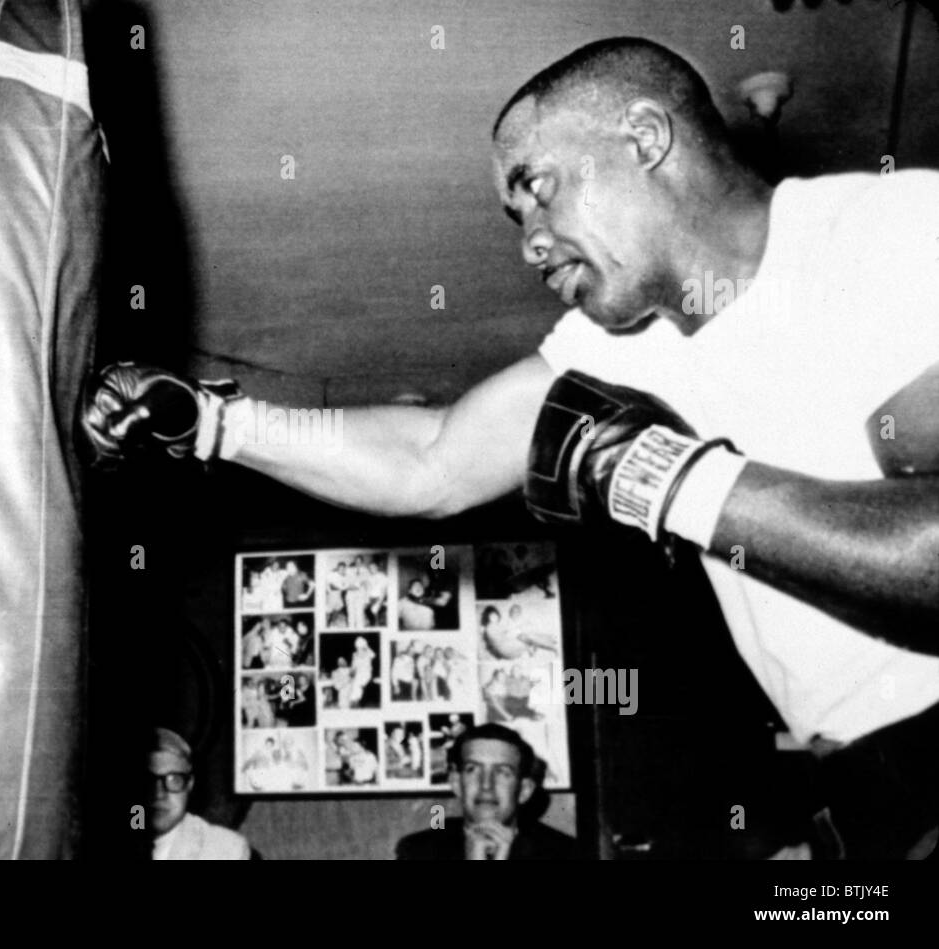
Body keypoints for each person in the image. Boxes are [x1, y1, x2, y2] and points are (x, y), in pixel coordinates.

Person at [83, 35, 939, 857]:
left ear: (643, 137)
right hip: (859, 797)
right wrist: (215, 423)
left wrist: (668, 480)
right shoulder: (619, 347)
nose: (529, 239)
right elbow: (433, 461)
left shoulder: (893, 230)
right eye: (515, 213)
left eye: (539, 187)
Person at [397, 724, 576, 860]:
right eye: (473, 769)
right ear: (456, 783)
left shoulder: (564, 853)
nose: (486, 785)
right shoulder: (420, 851)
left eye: (502, 772)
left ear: (524, 790)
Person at [148, 728, 251, 860]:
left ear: (190, 784)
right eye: (147, 780)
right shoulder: (136, 818)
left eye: (174, 779)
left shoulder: (226, 849)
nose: (158, 794)